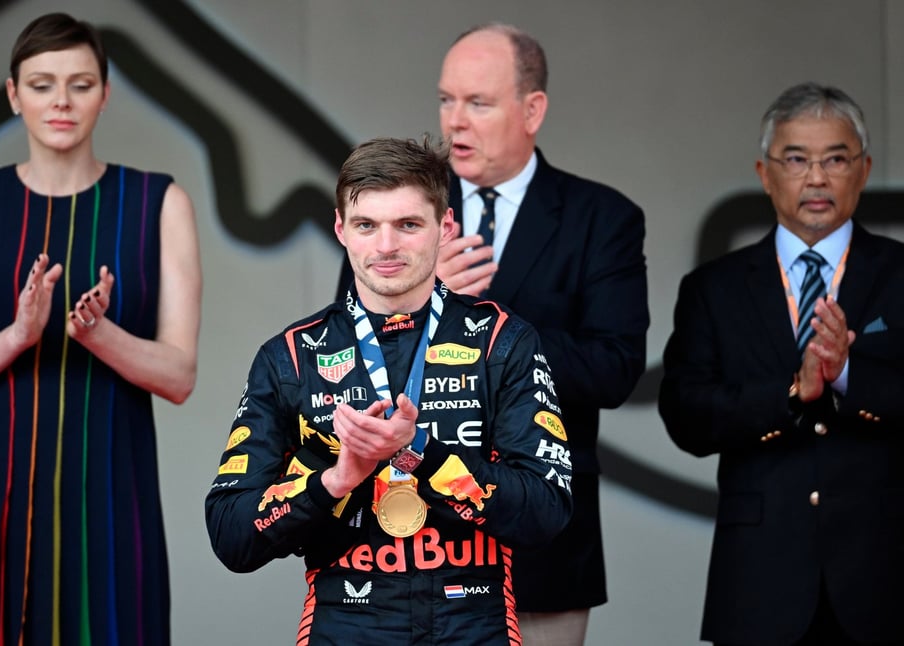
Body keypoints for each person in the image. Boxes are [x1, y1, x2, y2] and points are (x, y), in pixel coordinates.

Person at [206, 136, 573, 645]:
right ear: (341, 230)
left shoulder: (502, 342)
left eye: (407, 224)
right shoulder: (291, 355)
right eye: (366, 225)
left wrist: (418, 454)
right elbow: (231, 536)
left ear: (444, 228)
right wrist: (335, 479)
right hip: (345, 628)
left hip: (474, 629)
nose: (385, 246)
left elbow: (547, 511)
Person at [0, 13, 202, 645]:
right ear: (13, 95)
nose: (61, 101)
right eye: (42, 84)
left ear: (104, 93)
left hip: (109, 490)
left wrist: (101, 335)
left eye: (79, 83)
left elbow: (179, 376)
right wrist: (17, 335)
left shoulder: (158, 202)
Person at [659, 82, 904, 646]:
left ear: (863, 170)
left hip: (882, 577)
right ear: (765, 173)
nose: (816, 178)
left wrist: (847, 375)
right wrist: (790, 394)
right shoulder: (712, 289)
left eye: (835, 159)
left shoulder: (901, 274)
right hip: (759, 582)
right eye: (796, 159)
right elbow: (686, 417)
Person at [435, 22, 648, 645]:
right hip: (409, 538)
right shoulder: (401, 211)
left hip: (541, 535)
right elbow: (345, 360)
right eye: (446, 99)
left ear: (533, 110)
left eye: (478, 102)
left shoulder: (601, 218)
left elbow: (613, 368)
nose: (455, 122)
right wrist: (424, 304)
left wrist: (483, 324)